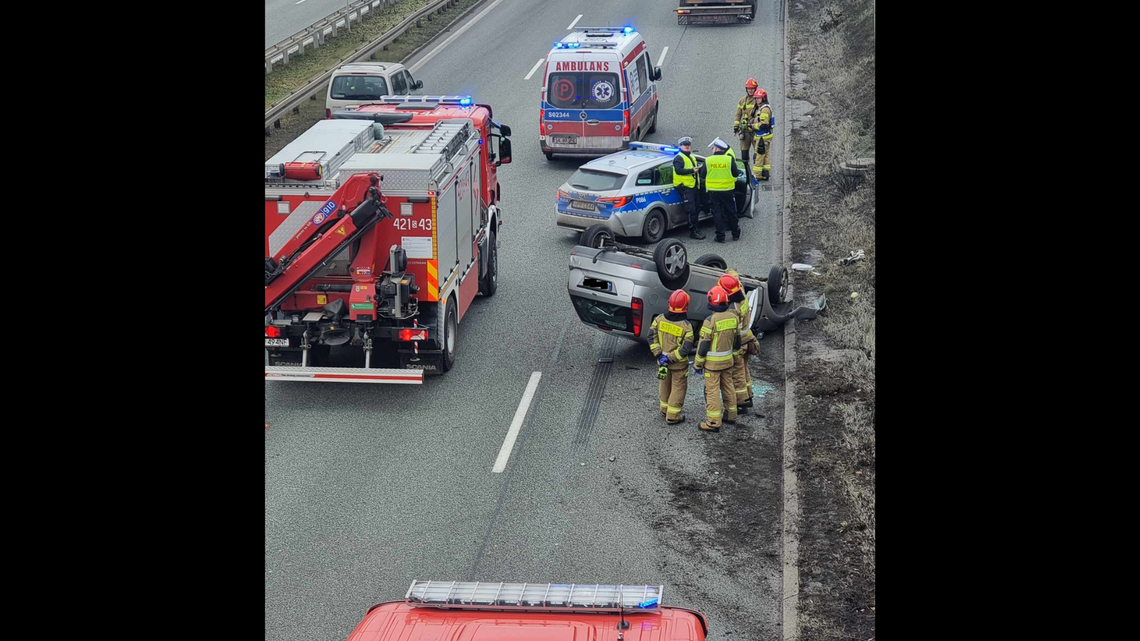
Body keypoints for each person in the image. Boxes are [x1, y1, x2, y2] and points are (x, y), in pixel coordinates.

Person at [693, 285, 741, 433]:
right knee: (728, 387)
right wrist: (733, 354)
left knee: (712, 391)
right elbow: (737, 340)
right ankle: (731, 415)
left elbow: (703, 345)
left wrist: (698, 364)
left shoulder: (710, 320)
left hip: (712, 365)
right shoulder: (733, 317)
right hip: (728, 361)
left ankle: (713, 422)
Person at [649, 290, 696, 425]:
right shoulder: (686, 327)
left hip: (662, 363)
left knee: (664, 385)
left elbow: (651, 338)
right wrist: (670, 357)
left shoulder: (659, 319)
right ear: (686, 307)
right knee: (678, 388)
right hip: (678, 365)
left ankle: (664, 408)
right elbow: (685, 349)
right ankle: (673, 415)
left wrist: (659, 355)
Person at [719, 271, 759, 412]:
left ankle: (741, 403)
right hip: (747, 338)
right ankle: (748, 396)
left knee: (737, 373)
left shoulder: (733, 307)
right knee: (744, 370)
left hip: (739, 342)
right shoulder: (740, 294)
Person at [704, 138, 742, 243]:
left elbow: (702, 175)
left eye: (713, 148)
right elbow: (735, 173)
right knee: (731, 211)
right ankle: (735, 234)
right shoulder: (729, 160)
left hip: (713, 192)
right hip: (728, 190)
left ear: (716, 148)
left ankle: (720, 236)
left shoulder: (708, 160)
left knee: (717, 213)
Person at [672, 137, 705, 240]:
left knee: (697, 208)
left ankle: (696, 228)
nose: (687, 146)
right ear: (680, 146)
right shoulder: (679, 157)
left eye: (688, 145)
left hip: (693, 186)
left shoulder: (691, 156)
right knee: (691, 210)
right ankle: (693, 231)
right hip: (685, 187)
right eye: (684, 145)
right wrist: (692, 170)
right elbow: (678, 170)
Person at [734, 78, 761, 167]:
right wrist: (736, 127)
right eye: (748, 89)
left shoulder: (758, 100)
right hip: (744, 131)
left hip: (755, 130)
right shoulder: (742, 101)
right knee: (744, 154)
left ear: (755, 89)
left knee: (758, 152)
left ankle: (758, 172)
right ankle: (746, 173)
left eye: (752, 89)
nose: (750, 90)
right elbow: (738, 114)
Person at [751, 88, 776, 182]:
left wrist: (753, 126)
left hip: (762, 137)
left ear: (763, 98)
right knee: (766, 155)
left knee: (759, 155)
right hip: (766, 136)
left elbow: (764, 124)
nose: (757, 100)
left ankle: (757, 175)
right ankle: (765, 173)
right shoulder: (764, 107)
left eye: (758, 98)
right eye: (756, 98)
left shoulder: (764, 110)